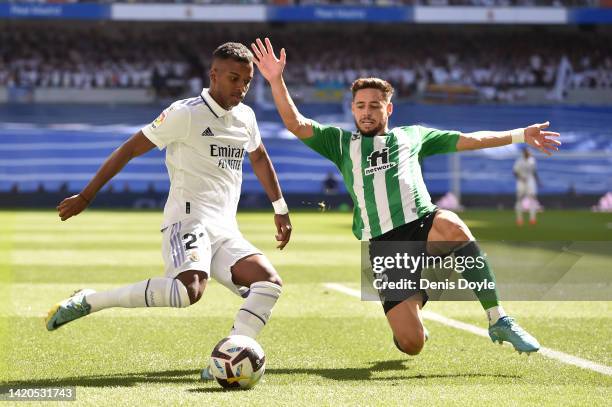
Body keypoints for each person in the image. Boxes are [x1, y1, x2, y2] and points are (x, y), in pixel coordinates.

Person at [251, 37, 561, 356]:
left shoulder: (412, 135)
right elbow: (295, 123)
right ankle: (414, 306)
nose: (366, 112)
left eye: (374, 105)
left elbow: (470, 139)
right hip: (386, 244)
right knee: (411, 344)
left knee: (454, 227)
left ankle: (498, 318)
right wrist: (276, 79)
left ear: (389, 108)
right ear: (353, 109)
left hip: (424, 223)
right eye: (360, 106)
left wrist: (521, 135)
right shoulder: (340, 143)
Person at [46, 43, 292, 378]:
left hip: (225, 230)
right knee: (186, 292)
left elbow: (259, 157)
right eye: (234, 78)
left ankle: (229, 357)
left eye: (247, 81)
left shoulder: (245, 117)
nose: (241, 88)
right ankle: (91, 300)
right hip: (187, 220)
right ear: (214, 74)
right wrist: (87, 196)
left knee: (269, 283)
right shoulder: (185, 113)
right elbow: (130, 148)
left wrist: (280, 207)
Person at [514, 147, 539, 226]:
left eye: (528, 152)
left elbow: (534, 172)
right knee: (519, 199)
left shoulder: (532, 160)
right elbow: (515, 172)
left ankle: (532, 219)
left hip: (530, 181)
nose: (527, 153)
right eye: (526, 152)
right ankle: (519, 219)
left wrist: (538, 181)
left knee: (532, 198)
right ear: (523, 153)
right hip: (521, 181)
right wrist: (521, 178)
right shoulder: (519, 161)